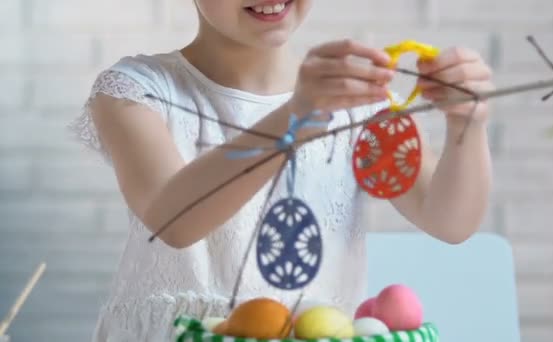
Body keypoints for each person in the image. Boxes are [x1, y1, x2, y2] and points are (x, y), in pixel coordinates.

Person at [68, 0, 494, 340]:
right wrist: (297, 115)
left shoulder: (359, 102)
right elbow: (173, 220)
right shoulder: (136, 90)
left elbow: (449, 220)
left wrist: (467, 125)